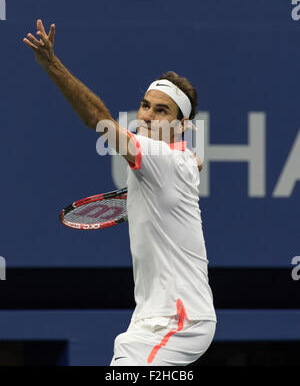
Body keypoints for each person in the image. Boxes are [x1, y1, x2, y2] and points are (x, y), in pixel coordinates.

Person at [23, 20, 217, 366]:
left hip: (177, 319)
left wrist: (51, 64)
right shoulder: (182, 160)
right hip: (151, 321)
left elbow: (97, 118)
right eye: (145, 105)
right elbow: (190, 161)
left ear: (181, 125)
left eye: (162, 111)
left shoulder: (163, 159)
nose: (147, 116)